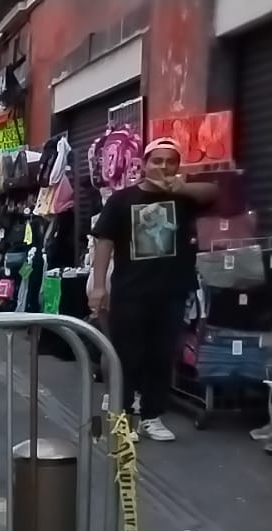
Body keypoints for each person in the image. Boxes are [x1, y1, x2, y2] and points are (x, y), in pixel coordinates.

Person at [90, 137, 219, 442]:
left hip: (172, 290)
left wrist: (182, 187)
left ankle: (151, 415)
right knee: (127, 355)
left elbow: (214, 192)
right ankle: (123, 417)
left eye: (170, 161)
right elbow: (104, 243)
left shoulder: (184, 197)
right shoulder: (122, 200)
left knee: (161, 356)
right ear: (144, 164)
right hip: (130, 290)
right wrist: (98, 286)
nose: (163, 167)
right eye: (157, 161)